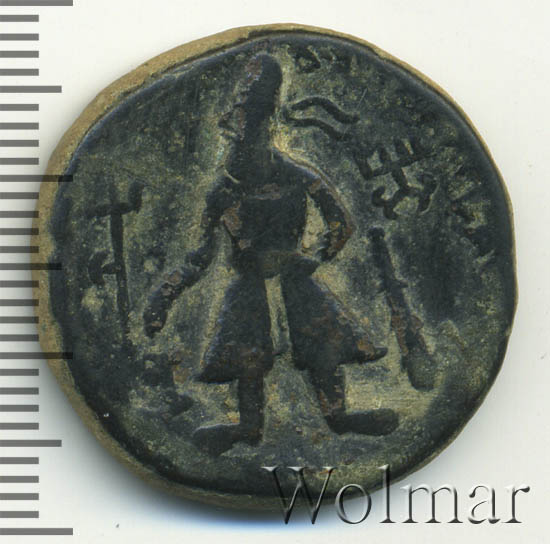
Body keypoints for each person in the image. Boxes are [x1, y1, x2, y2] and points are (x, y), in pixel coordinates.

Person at [144, 54, 398, 455]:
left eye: (250, 117)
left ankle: (338, 417)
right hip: (249, 282)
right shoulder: (224, 191)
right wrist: (164, 296)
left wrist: (314, 256)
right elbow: (199, 255)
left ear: (267, 122)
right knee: (247, 352)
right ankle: (249, 427)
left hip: (296, 276)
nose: (239, 129)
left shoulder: (296, 174)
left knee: (322, 341)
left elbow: (341, 223)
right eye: (238, 118)